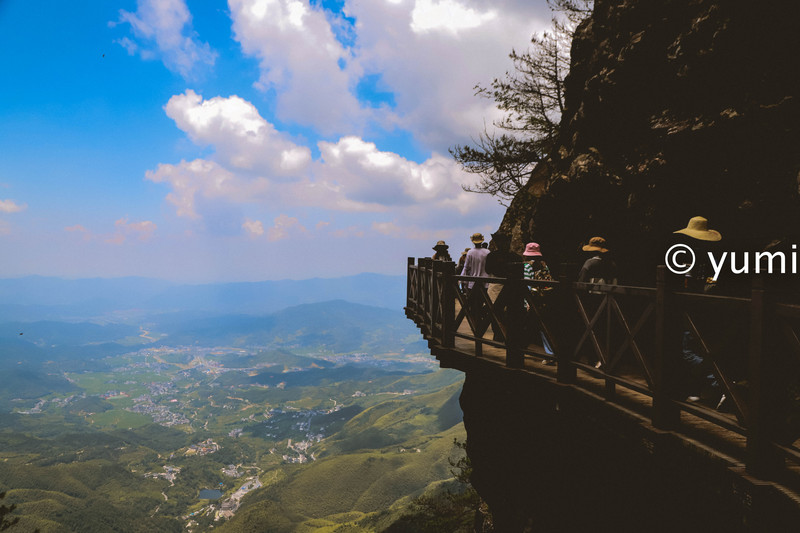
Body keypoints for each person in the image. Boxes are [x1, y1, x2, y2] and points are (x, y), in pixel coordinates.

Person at [671, 216, 725, 408]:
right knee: (703, 349)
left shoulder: (691, 256)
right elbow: (714, 282)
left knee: (687, 350)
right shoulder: (712, 256)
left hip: (694, 309)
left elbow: (688, 284)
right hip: (710, 310)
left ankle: (722, 385)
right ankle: (702, 389)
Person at [523, 242, 555, 362]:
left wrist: (527, 302)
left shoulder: (526, 266)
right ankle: (550, 353)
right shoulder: (544, 265)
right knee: (542, 325)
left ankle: (550, 354)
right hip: (545, 299)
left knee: (531, 325)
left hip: (533, 299)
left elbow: (527, 285)